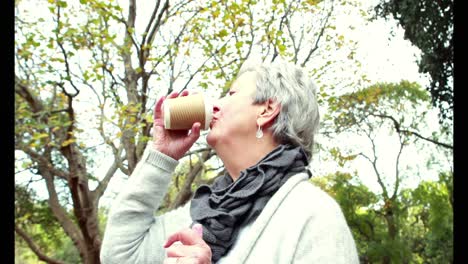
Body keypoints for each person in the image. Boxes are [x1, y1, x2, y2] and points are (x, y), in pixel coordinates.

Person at [100, 59, 359, 264]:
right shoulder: (204, 213)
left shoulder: (313, 215)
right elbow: (121, 255)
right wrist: (161, 155)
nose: (215, 105)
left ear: (267, 110)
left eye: (231, 93)